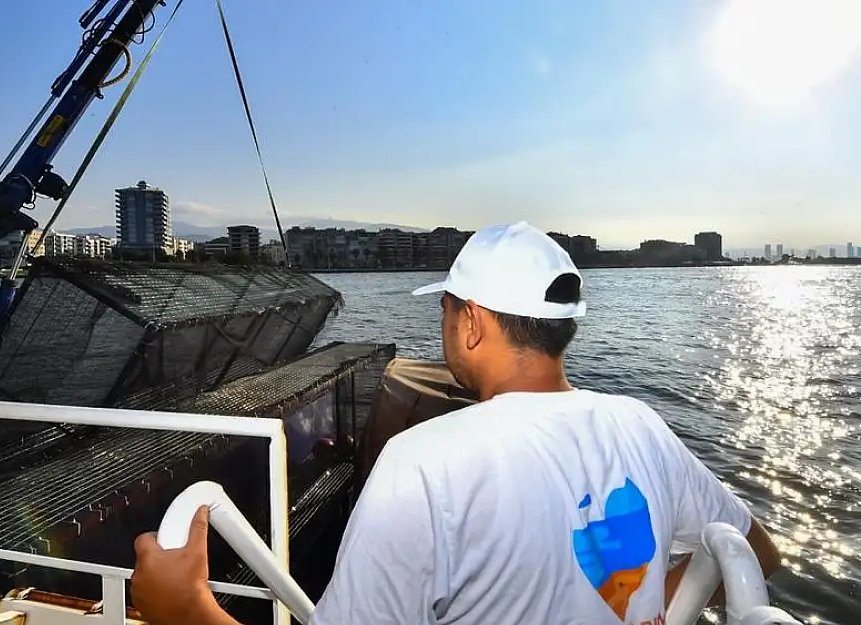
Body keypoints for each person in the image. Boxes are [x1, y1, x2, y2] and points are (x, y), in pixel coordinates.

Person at [131, 221, 782, 624]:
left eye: (445, 311)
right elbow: (760, 553)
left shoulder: (425, 462)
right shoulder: (643, 425)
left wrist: (187, 610)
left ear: (469, 321)